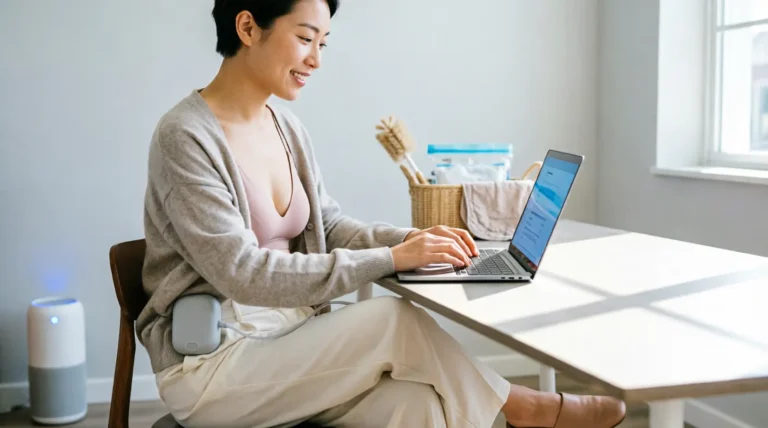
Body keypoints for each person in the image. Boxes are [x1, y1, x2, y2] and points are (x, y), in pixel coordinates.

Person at [137, 0, 627, 427]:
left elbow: (326, 227)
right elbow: (241, 272)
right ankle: (526, 410)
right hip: (216, 365)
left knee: (420, 407)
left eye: (323, 43)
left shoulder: (286, 128)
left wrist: (414, 239)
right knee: (390, 319)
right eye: (306, 38)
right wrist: (394, 259)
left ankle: (521, 414)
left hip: (293, 341)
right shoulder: (185, 135)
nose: (316, 59)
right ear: (247, 28)